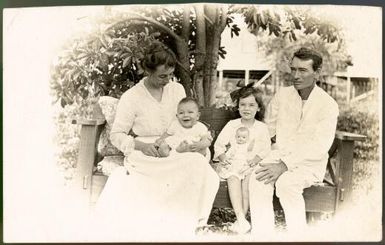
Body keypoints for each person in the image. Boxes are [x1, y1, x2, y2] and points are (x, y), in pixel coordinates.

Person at [92, 42, 219, 240]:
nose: (167, 80)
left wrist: (193, 141)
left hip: (175, 144)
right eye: (162, 76)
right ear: (147, 71)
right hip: (144, 151)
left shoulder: (176, 89)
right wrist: (142, 145)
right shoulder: (132, 97)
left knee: (195, 162)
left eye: (170, 74)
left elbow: (185, 120)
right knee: (173, 168)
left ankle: (185, 221)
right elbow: (117, 135)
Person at [248, 47, 339, 236]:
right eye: (294, 69)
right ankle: (263, 236)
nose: (296, 75)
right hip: (279, 155)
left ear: (317, 73)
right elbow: (269, 129)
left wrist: (285, 165)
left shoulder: (327, 104)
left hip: (309, 164)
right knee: (258, 177)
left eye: (303, 70)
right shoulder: (283, 94)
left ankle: (298, 237)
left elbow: (320, 146)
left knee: (287, 184)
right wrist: (271, 151)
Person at [214, 85, 271, 234]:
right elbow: (219, 145)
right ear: (238, 107)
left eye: (252, 105)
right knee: (233, 179)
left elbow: (266, 148)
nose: (247, 108)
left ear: (258, 108)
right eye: (243, 105)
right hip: (233, 163)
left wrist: (256, 159)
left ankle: (241, 220)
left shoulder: (262, 128)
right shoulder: (232, 125)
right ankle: (240, 218)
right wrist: (223, 157)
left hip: (251, 164)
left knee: (247, 185)